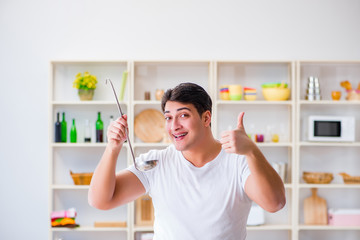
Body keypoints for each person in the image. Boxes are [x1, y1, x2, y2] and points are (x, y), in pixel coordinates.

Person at [88, 82, 286, 240]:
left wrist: (251, 151)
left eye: (183, 115)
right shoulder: (156, 163)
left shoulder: (238, 162)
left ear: (206, 118)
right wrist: (112, 148)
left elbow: (275, 203)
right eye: (168, 117)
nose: (174, 126)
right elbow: (100, 201)